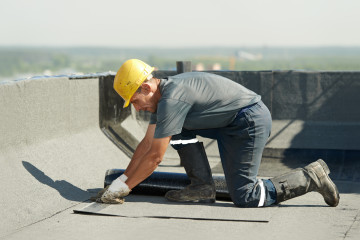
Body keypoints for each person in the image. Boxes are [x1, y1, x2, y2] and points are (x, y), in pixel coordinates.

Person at [100, 59, 340, 208]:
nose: (136, 107)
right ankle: (202, 187)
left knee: (246, 196)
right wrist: (121, 181)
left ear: (146, 87)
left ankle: (310, 178)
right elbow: (146, 145)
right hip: (231, 123)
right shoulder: (163, 99)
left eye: (135, 100)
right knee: (176, 129)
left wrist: (124, 188)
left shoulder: (173, 99)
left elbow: (154, 158)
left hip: (248, 123)